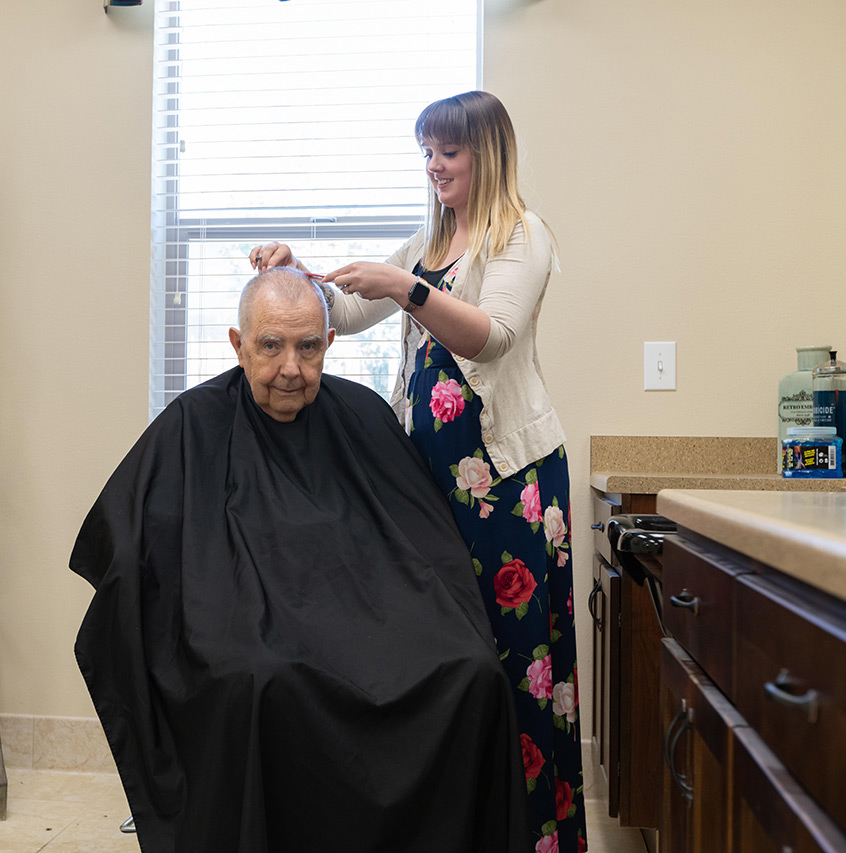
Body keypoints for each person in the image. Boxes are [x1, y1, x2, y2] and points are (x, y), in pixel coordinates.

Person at [70, 267, 530, 852]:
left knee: (472, 672)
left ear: (329, 344)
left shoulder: (361, 416)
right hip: (249, 634)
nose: (291, 367)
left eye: (308, 347)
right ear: (238, 346)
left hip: (371, 628)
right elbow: (128, 550)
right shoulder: (193, 424)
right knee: (258, 680)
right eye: (271, 346)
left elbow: (424, 548)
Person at [251, 91, 586, 852]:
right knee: (461, 663)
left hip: (510, 488)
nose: (434, 166)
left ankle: (535, 834)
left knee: (520, 661)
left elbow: (492, 337)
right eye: (426, 152)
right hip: (437, 493)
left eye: (448, 152)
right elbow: (347, 309)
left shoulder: (518, 235)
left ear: (486, 153)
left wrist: (406, 285)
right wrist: (295, 272)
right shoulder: (431, 241)